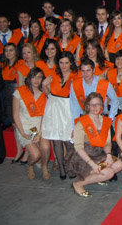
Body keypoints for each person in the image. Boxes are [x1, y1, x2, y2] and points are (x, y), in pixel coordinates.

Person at [68, 92, 122, 197]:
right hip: (83, 157)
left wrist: (108, 156)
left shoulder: (105, 121)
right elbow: (78, 148)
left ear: (102, 106)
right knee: (109, 173)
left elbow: (107, 143)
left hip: (99, 154)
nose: (95, 107)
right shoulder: (81, 122)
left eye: (97, 104)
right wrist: (92, 164)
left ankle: (97, 177)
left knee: (118, 165)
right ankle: (78, 184)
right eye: (92, 104)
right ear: (87, 106)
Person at [40, 51, 79, 180]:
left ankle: (71, 166)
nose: (64, 65)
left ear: (71, 63)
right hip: (54, 107)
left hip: (68, 108)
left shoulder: (76, 75)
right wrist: (45, 87)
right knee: (56, 140)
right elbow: (45, 89)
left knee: (69, 141)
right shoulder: (52, 74)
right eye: (61, 62)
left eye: (66, 62)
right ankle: (62, 168)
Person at [12, 67, 47, 179]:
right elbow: (15, 114)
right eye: (33, 77)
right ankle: (30, 165)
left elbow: (44, 117)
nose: (36, 80)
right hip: (25, 128)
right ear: (29, 78)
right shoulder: (20, 91)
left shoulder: (44, 94)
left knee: (45, 148)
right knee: (36, 155)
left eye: (39, 77)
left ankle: (44, 166)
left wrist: (40, 133)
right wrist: (22, 133)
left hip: (38, 127)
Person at [69, 58, 119, 125]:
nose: (85, 74)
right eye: (83, 71)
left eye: (88, 70)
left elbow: (115, 100)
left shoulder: (104, 83)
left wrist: (110, 118)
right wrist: (75, 125)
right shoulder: (75, 84)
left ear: (93, 70)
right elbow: (74, 107)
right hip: (83, 118)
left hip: (101, 118)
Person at [2, 43, 24, 163]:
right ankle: (19, 150)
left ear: (16, 51)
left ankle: (29, 151)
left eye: (11, 50)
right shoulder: (4, 65)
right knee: (15, 125)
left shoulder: (20, 64)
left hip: (18, 96)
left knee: (24, 123)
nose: (9, 53)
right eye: (6, 51)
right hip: (8, 96)